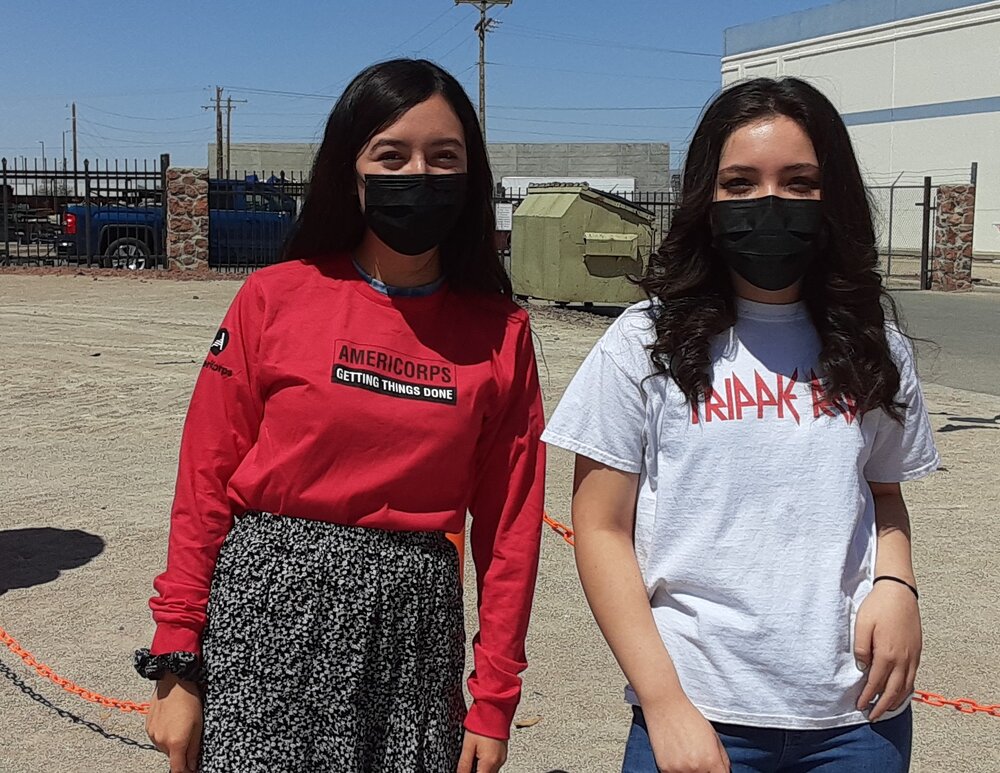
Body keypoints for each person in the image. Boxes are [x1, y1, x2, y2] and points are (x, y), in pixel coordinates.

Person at [135, 58, 545, 773]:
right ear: (351, 172)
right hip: (267, 619)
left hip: (414, 636)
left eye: (443, 157)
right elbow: (204, 481)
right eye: (392, 155)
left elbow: (511, 530)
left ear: (471, 177)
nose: (419, 173)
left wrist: (494, 697)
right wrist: (177, 660)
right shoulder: (274, 298)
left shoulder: (500, 334)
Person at [542, 77, 938, 773]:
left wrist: (896, 586)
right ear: (708, 198)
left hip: (859, 718)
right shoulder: (645, 340)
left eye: (799, 180)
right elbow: (600, 526)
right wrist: (664, 704)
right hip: (701, 715)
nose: (769, 202)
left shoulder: (874, 343)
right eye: (740, 182)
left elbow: (882, 492)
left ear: (832, 196)